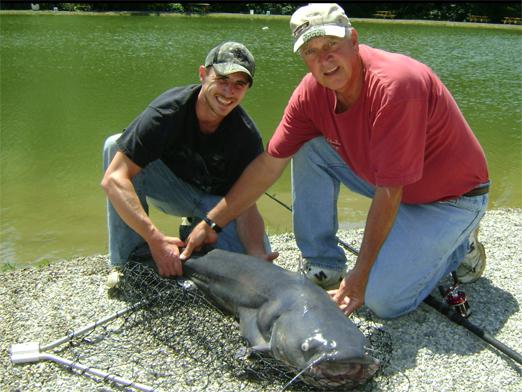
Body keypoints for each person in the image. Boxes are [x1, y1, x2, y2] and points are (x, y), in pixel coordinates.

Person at [180, 4, 489, 319]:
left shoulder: (397, 86)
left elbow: (390, 192)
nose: (323, 60)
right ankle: (323, 265)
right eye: (311, 51)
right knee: (308, 147)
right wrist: (212, 221)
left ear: (353, 40)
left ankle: (460, 246)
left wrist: (360, 275)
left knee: (382, 301)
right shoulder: (311, 94)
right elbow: (269, 163)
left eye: (331, 45)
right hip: (396, 183)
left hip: (451, 198)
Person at [101, 41, 277, 280]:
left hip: (216, 207)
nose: (228, 92)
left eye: (239, 84)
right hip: (168, 190)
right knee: (115, 145)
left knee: (253, 267)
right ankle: (128, 263)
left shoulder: (246, 136)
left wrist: (256, 253)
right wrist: (155, 239)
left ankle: (194, 230)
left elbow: (246, 205)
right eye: (222, 80)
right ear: (203, 75)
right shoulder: (167, 111)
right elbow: (113, 179)